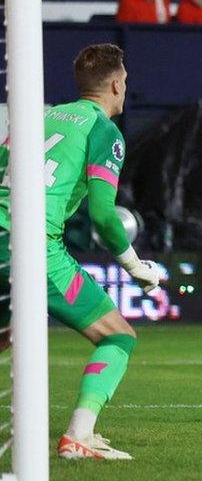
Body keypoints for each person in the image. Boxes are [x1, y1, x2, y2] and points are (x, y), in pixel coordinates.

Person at [0, 44, 161, 459]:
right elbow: (104, 216)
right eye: (124, 83)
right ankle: (79, 436)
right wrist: (134, 266)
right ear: (116, 84)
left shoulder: (36, 118)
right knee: (118, 337)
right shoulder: (103, 131)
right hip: (30, 245)